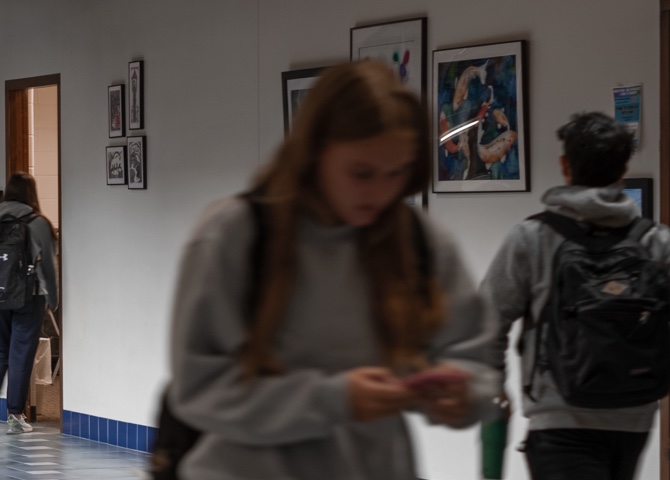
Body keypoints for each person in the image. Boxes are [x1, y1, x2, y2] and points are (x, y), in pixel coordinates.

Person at [165, 61, 499, 479]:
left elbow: (473, 357)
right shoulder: (234, 236)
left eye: (396, 173)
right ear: (314, 152)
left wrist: (462, 390)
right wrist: (335, 399)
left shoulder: (418, 241)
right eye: (361, 173)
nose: (380, 192)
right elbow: (200, 389)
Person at [481, 112, 670, 479]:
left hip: (557, 417)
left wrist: (493, 389)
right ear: (622, 170)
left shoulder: (531, 239)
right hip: (633, 418)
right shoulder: (656, 241)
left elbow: (485, 323)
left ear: (565, 166)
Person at [0, 172, 57, 434]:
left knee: (2, 350)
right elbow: (49, 267)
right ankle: (15, 415)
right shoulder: (37, 222)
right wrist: (52, 298)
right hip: (28, 296)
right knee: (20, 355)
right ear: (31, 193)